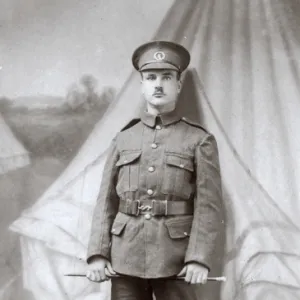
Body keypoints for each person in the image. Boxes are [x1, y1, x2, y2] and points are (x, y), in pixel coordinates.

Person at [86, 40, 223, 300]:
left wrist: (198, 258)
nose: (158, 84)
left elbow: (208, 207)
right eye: (150, 77)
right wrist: (98, 253)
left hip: (176, 260)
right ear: (142, 85)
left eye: (167, 77)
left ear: (178, 84)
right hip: (125, 257)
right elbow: (106, 202)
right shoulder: (123, 139)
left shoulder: (198, 139)